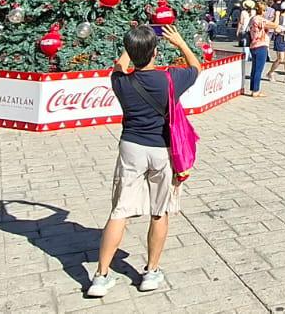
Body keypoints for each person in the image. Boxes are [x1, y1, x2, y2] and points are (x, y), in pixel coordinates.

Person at [88, 25, 207, 297]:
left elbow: (120, 63)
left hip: (131, 146)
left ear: (130, 53)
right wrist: (180, 43)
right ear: (156, 52)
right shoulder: (170, 80)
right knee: (159, 211)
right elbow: (197, 66)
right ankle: (151, 272)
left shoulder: (120, 81)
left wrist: (130, 44)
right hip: (161, 149)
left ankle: (101, 276)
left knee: (119, 212)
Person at [245, 3, 276, 97]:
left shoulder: (253, 18)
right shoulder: (261, 20)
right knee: (259, 69)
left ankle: (253, 88)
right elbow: (274, 25)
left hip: (253, 45)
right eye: (265, 10)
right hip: (261, 45)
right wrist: (277, 16)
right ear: (262, 11)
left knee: (254, 69)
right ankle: (256, 90)